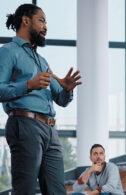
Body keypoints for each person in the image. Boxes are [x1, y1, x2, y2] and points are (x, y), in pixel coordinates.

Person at [0, 4, 82, 194]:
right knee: (25, 190)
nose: (46, 27)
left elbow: (60, 99)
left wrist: (67, 90)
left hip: (50, 131)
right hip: (25, 124)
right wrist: (28, 85)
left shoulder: (41, 60)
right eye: (42, 20)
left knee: (57, 191)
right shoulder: (8, 52)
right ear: (26, 20)